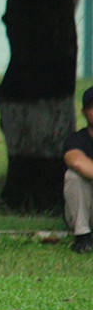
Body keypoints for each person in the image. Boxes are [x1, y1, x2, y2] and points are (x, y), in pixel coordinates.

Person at [62, 86, 93, 254]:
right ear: (84, 112)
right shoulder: (76, 139)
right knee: (74, 176)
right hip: (88, 210)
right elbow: (76, 161)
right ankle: (83, 236)